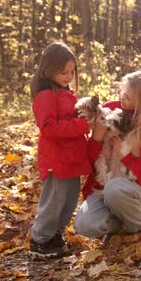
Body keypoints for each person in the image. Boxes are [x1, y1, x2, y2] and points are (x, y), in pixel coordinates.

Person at [74, 70, 141, 241]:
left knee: (115, 188)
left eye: (128, 97)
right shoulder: (111, 110)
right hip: (105, 187)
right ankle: (120, 220)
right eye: (122, 92)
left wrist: (127, 157)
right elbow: (89, 163)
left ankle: (136, 230)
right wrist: (97, 137)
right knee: (85, 226)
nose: (122, 98)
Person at [28, 42, 91, 259]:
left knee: (69, 200)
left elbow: (67, 118)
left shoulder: (64, 92)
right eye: (63, 72)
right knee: (54, 200)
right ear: (48, 70)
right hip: (57, 158)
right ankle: (40, 240)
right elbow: (48, 127)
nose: (68, 76)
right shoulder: (46, 94)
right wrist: (82, 125)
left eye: (72, 71)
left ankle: (55, 235)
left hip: (71, 157)